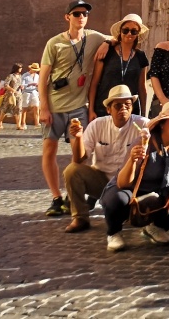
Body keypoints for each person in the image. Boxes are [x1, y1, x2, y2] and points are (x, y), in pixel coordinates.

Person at [39, 0, 112, 218]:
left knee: (80, 154)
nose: (81, 17)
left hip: (79, 106)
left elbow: (116, 37)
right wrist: (43, 107)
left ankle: (72, 195)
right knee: (49, 150)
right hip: (54, 105)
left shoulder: (94, 37)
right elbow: (43, 77)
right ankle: (56, 197)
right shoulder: (54, 43)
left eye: (85, 14)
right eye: (77, 13)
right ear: (67, 17)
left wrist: (107, 44)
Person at [101, 99, 169, 252]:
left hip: (161, 190)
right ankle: (113, 232)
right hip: (133, 189)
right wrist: (132, 160)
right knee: (116, 199)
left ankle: (156, 227)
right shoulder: (143, 142)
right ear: (162, 124)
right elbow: (123, 183)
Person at [62, 84, 148, 232]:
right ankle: (80, 217)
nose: (123, 108)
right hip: (102, 180)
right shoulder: (97, 125)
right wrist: (78, 138)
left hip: (130, 183)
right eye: (118, 105)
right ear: (108, 109)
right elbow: (79, 160)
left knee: (127, 213)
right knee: (72, 170)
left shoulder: (143, 125)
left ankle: (128, 209)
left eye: (127, 105)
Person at [89, 15, 149, 118]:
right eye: (125, 30)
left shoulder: (141, 56)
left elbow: (142, 87)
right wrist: (91, 110)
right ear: (120, 32)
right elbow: (94, 83)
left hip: (129, 110)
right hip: (104, 108)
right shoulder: (107, 52)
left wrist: (144, 113)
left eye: (133, 31)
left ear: (137, 34)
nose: (129, 34)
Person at [0, 63, 25, 131]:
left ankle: (18, 125)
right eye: (20, 68)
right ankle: (0, 123)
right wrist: (12, 89)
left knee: (19, 109)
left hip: (18, 95)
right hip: (10, 95)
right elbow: (6, 84)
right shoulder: (11, 76)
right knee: (5, 109)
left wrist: (21, 86)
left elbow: (19, 84)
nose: (21, 69)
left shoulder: (20, 76)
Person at [21, 62, 42, 128]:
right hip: (26, 92)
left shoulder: (37, 76)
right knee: (25, 108)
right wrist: (30, 84)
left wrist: (38, 85)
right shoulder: (25, 75)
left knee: (36, 107)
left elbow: (39, 83)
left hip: (34, 92)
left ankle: (37, 123)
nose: (35, 71)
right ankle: (23, 123)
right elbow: (22, 85)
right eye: (34, 70)